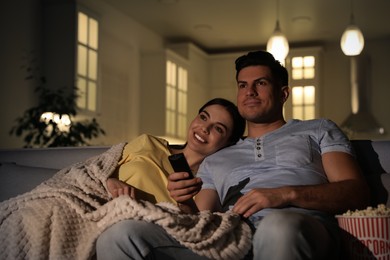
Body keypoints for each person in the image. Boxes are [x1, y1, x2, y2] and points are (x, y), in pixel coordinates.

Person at [96, 51, 370, 260]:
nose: (249, 92)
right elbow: (199, 218)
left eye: (260, 83)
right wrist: (184, 201)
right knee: (121, 235)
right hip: (230, 235)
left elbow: (356, 191)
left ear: (283, 93)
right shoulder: (219, 155)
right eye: (242, 85)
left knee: (277, 226)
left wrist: (285, 195)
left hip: (299, 225)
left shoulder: (318, 129)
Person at [103, 97, 245, 204]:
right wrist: (108, 181)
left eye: (218, 128)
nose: (204, 128)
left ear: (229, 142)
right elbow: (92, 171)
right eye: (203, 117)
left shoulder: (206, 185)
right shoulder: (148, 142)